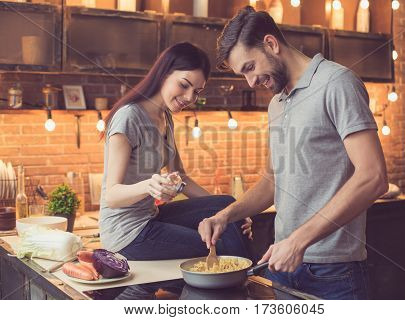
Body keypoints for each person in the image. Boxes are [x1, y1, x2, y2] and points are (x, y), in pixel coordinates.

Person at [198, 7, 388, 299]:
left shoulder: (337, 83)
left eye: (250, 67)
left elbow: (373, 176)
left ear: (271, 44)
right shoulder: (277, 103)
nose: (250, 82)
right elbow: (272, 182)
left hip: (334, 272)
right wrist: (226, 215)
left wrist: (298, 241)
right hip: (283, 265)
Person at [99, 42, 252, 261]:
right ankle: (244, 283)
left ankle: (247, 278)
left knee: (226, 203)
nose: (190, 97)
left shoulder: (165, 116)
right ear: (163, 74)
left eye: (196, 91)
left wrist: (231, 213)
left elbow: (180, 177)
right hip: (127, 233)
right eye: (184, 85)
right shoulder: (129, 117)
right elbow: (111, 196)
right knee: (220, 244)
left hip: (151, 217)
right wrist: (149, 186)